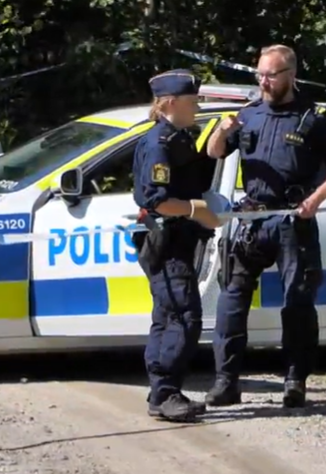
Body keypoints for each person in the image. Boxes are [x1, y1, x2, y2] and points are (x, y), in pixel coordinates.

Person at [203, 44, 326, 409]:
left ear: (290, 76)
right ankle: (226, 381)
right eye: (259, 75)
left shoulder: (314, 119)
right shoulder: (249, 114)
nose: (263, 82)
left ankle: (295, 381)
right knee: (232, 301)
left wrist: (313, 202)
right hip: (252, 220)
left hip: (292, 220)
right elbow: (212, 152)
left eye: (270, 75)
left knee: (298, 303)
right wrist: (223, 131)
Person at [133, 69, 224, 422]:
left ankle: (161, 392)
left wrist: (221, 137)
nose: (197, 106)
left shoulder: (182, 138)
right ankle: (166, 393)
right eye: (192, 100)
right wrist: (193, 211)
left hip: (181, 240)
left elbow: (195, 176)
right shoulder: (159, 143)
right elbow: (156, 200)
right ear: (170, 102)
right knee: (183, 317)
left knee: (168, 315)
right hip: (166, 241)